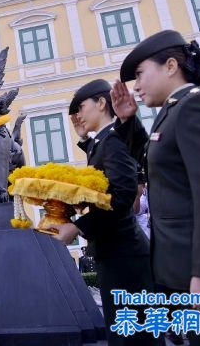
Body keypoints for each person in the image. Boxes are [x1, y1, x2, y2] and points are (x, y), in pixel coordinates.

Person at [111, 30, 200, 345]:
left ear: (170, 66)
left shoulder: (196, 107)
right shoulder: (174, 111)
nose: (135, 86)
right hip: (184, 273)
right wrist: (128, 122)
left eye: (140, 74)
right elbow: (159, 162)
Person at [47, 79, 158, 345]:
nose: (77, 116)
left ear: (100, 103)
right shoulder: (103, 142)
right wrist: (84, 139)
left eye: (81, 107)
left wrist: (77, 227)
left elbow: (120, 198)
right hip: (115, 252)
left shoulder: (114, 140)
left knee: (134, 336)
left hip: (125, 256)